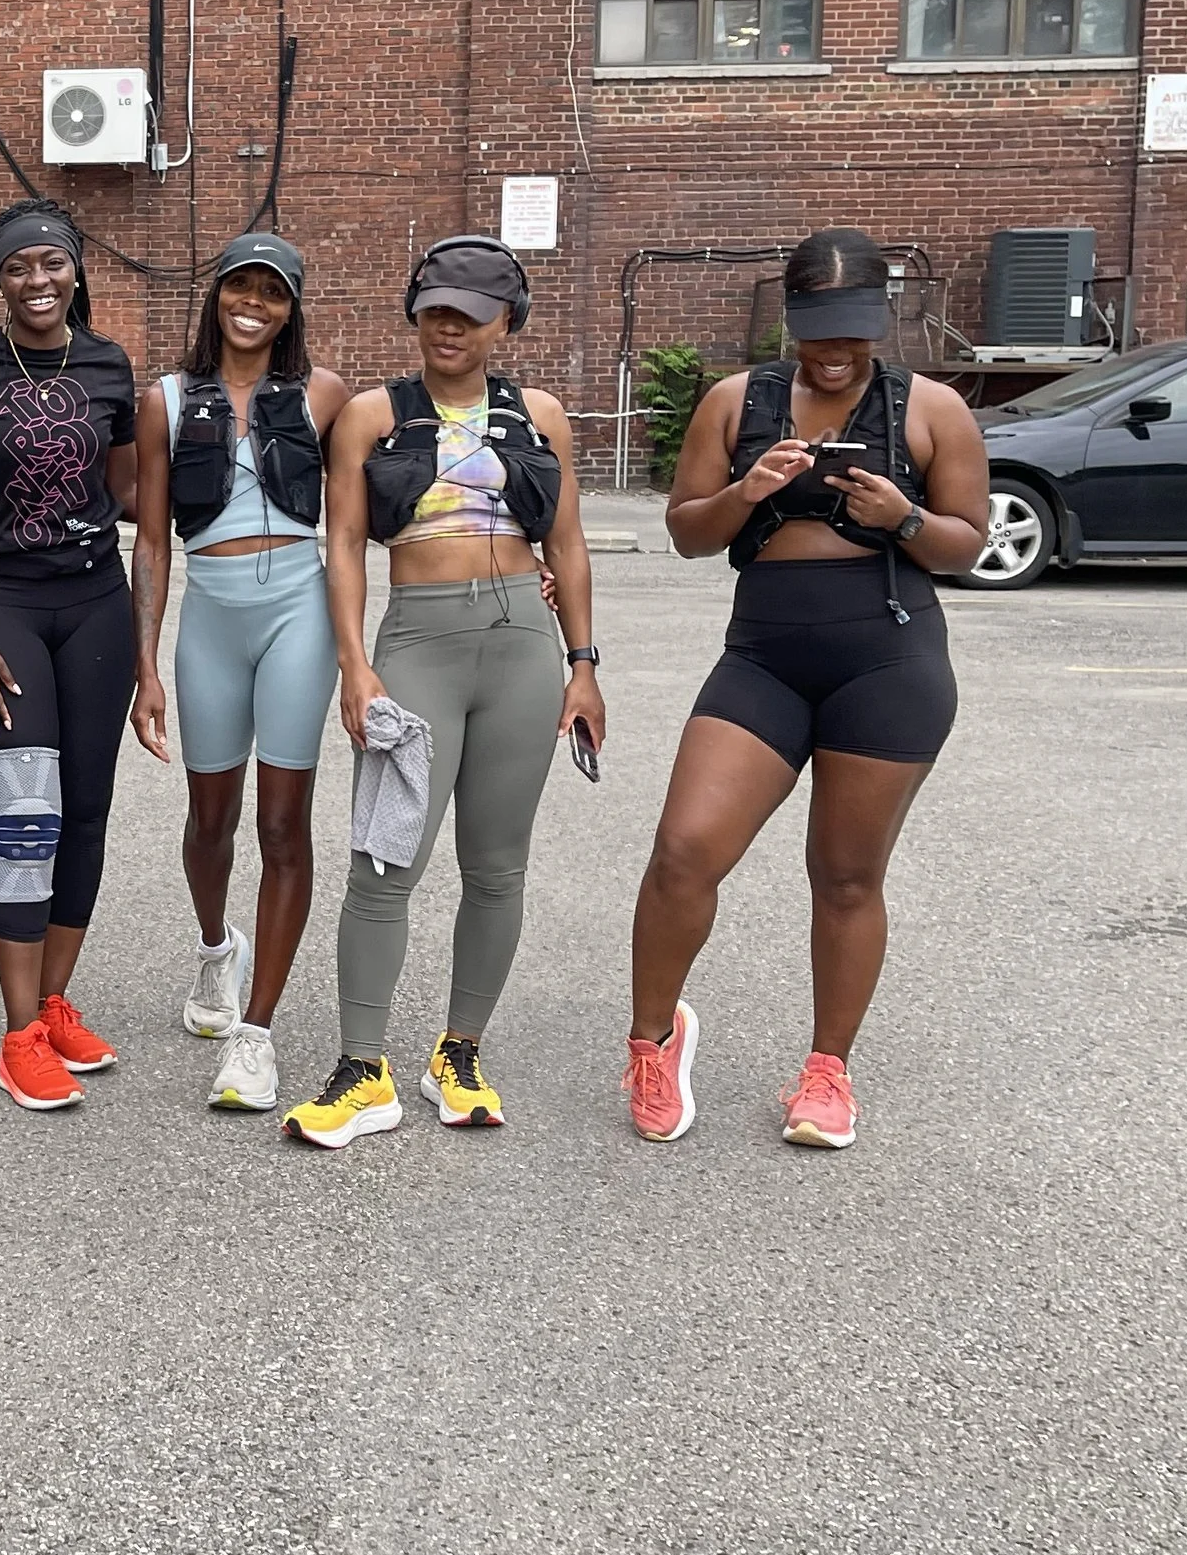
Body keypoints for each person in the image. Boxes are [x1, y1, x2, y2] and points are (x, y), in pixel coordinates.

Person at [625, 227, 988, 1149]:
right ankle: (653, 1040)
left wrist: (903, 515)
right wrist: (748, 490)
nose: (835, 354)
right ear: (790, 319)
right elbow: (689, 534)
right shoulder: (735, 400)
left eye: (854, 335)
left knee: (846, 874)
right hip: (764, 656)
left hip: (889, 661)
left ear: (884, 319)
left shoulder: (931, 408)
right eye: (819, 333)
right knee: (682, 851)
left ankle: (828, 1073)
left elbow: (967, 542)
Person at [282, 235, 606, 1150]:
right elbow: (343, 543)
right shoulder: (374, 414)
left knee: (497, 867)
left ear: (507, 320)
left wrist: (583, 664)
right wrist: (356, 662)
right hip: (418, 638)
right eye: (435, 307)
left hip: (522, 649)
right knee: (384, 862)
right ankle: (361, 1067)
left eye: (471, 310)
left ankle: (458, 1052)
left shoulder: (539, 414)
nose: (449, 324)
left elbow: (570, 544)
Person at [0, 200, 139, 1112]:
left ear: (76, 269)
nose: (38, 281)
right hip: (4, 607)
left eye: (52, 263)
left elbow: (125, 486)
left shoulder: (109, 364)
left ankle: (52, 1005)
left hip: (96, 604)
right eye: (18, 267)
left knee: (85, 809)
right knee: (26, 819)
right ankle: (17, 1037)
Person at [129, 235, 349, 1114]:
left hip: (301, 606)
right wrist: (144, 663)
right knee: (210, 817)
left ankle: (256, 1037)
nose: (253, 304)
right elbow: (149, 537)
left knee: (284, 820)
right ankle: (218, 950)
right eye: (239, 288)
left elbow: (374, 510)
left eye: (273, 292)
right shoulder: (169, 400)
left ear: (291, 307)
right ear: (215, 297)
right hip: (212, 613)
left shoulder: (325, 394)